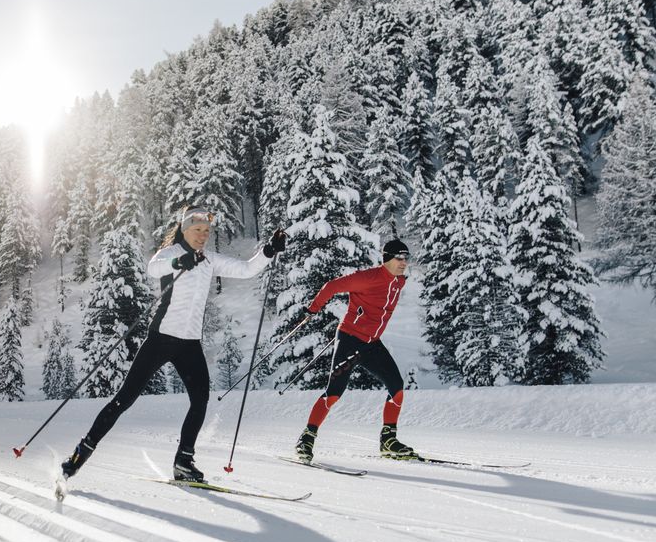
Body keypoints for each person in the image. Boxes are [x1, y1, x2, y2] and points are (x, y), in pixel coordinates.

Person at [63, 206, 287, 483]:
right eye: (198, 230)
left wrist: (268, 251)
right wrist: (179, 263)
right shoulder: (170, 254)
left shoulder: (209, 260)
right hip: (161, 339)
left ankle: (183, 462)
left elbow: (246, 269)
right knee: (124, 399)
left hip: (189, 344)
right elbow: (153, 268)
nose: (203, 235)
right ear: (184, 229)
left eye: (207, 231)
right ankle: (81, 452)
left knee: (200, 399)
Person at [294, 238, 421, 462]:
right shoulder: (368, 278)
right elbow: (332, 286)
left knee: (397, 387)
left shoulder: (398, 282)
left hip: (371, 343)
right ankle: (306, 438)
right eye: (399, 258)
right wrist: (312, 309)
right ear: (387, 259)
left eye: (406, 258)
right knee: (334, 392)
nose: (403, 262)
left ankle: (388, 441)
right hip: (350, 340)